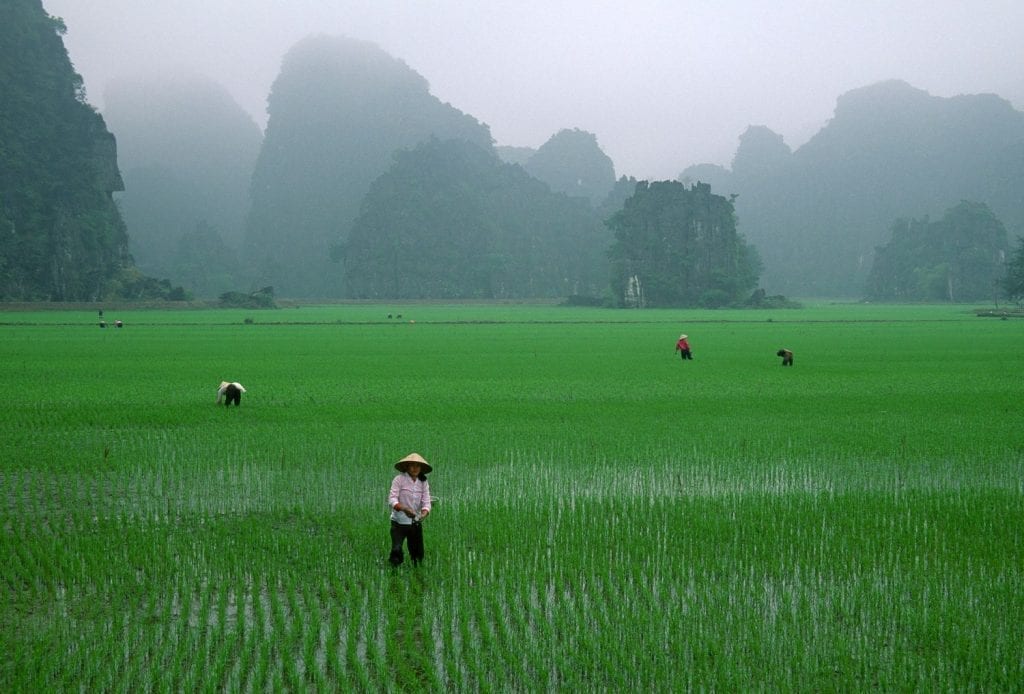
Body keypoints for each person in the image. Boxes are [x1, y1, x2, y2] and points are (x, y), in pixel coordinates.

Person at [387, 452, 433, 567]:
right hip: (398, 522)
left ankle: (417, 574)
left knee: (417, 556)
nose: (415, 468)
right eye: (412, 465)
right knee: (396, 551)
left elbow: (426, 501)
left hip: (415, 522)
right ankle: (394, 575)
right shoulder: (399, 480)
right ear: (406, 467)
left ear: (421, 468)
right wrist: (404, 508)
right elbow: (392, 499)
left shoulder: (423, 482)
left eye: (417, 465)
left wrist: (424, 513)